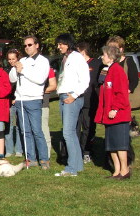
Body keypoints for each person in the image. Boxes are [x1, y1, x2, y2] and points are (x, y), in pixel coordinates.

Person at [9, 36, 49, 169]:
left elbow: (40, 79)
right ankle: (30, 158)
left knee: (37, 130)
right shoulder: (22, 60)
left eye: (30, 45)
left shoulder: (43, 61)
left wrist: (23, 70)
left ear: (37, 45)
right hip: (21, 100)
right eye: (25, 45)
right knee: (25, 131)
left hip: (34, 99)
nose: (27, 47)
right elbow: (12, 79)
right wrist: (16, 68)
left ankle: (44, 159)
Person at [54, 33, 90, 177]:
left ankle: (71, 168)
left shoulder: (76, 58)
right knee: (71, 134)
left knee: (68, 133)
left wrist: (74, 95)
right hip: (64, 96)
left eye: (60, 44)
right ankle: (77, 165)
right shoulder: (66, 58)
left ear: (67, 43)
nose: (58, 47)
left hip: (72, 97)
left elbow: (85, 80)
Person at [94, 46, 132, 180]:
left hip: (118, 115)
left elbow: (121, 93)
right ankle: (116, 171)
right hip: (108, 115)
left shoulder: (117, 70)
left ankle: (125, 170)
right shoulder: (107, 70)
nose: (102, 57)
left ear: (110, 57)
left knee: (120, 145)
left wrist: (115, 109)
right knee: (111, 145)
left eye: (103, 55)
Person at [76, 42, 102, 163]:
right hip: (76, 99)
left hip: (90, 101)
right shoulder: (76, 64)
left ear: (83, 51)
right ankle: (76, 152)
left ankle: (87, 151)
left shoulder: (96, 63)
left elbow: (100, 81)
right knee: (76, 127)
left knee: (88, 128)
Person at [4, 49, 23, 157]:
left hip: (19, 99)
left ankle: (19, 149)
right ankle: (9, 150)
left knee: (20, 125)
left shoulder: (22, 69)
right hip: (9, 101)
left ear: (18, 58)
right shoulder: (6, 70)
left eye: (13, 59)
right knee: (9, 126)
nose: (11, 61)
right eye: (9, 59)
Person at [42, 68, 57, 159]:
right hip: (31, 103)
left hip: (43, 103)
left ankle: (46, 154)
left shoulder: (48, 69)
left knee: (44, 128)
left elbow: (53, 86)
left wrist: (38, 91)